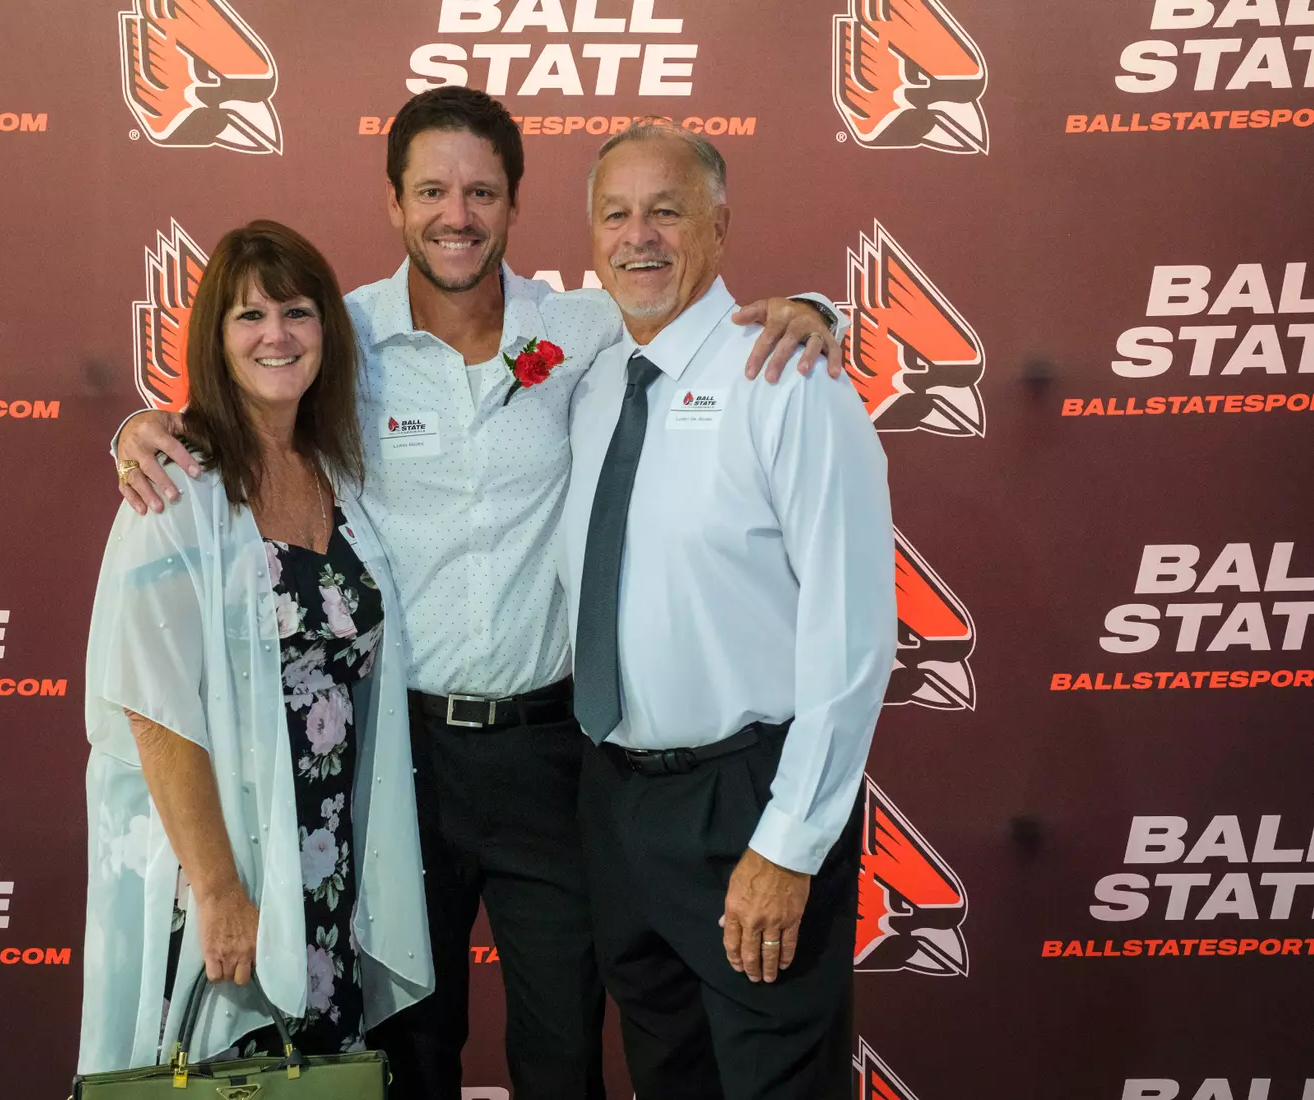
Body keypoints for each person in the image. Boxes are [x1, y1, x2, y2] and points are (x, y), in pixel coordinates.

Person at [110, 88, 848, 1100]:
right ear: (393, 202)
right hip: (394, 759)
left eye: (481, 191)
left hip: (555, 756)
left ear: (512, 205)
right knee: (409, 1045)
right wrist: (141, 426)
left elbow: (690, 314)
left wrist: (819, 310)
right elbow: (252, 379)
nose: (456, 214)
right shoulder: (342, 334)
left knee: (562, 1049)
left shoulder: (583, 327)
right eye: (432, 190)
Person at [562, 123, 896, 1100]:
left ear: (717, 223)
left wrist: (789, 843)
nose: (639, 236)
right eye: (616, 213)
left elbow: (853, 637)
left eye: (665, 210)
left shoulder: (788, 379)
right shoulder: (588, 379)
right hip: (613, 799)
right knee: (669, 1075)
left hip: (745, 799)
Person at [78, 221, 431, 1075]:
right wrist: (219, 891)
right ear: (215, 337)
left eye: (298, 312)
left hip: (327, 863)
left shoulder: (336, 469)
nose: (277, 335)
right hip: (224, 867)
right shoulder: (175, 487)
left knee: (312, 1080)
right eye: (250, 316)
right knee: (218, 1075)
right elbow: (153, 712)